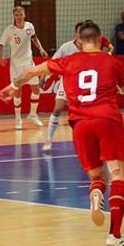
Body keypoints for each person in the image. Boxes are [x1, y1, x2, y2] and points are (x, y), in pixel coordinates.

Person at [0, 20, 124, 246]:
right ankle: (115, 235)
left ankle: (96, 193)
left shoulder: (69, 60)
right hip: (107, 119)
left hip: (80, 124)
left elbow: (32, 71)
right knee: (117, 174)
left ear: (79, 42)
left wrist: (14, 86)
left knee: (97, 175)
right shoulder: (112, 62)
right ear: (100, 39)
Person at [0, 6, 49, 129]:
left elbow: (34, 38)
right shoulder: (9, 30)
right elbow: (0, 45)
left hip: (29, 64)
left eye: (21, 14)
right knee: (17, 91)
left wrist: (41, 49)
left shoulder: (29, 26)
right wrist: (0, 58)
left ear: (24, 15)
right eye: (16, 15)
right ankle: (18, 119)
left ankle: (33, 114)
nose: (19, 17)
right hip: (16, 65)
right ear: (14, 16)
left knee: (36, 88)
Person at [43, 21, 84, 152]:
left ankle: (87, 141)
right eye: (78, 32)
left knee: (85, 115)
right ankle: (48, 140)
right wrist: (45, 77)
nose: (80, 35)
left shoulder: (91, 48)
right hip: (66, 83)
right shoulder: (66, 47)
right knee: (57, 109)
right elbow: (53, 63)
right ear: (75, 34)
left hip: (83, 87)